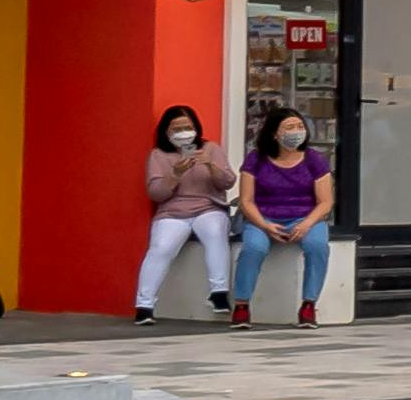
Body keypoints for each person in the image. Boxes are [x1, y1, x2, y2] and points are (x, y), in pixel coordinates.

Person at [133, 105, 235, 324]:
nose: (183, 132)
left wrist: (210, 165)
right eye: (176, 128)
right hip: (172, 211)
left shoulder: (211, 148)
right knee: (161, 248)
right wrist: (175, 174)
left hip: (208, 207)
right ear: (166, 132)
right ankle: (144, 305)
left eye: (187, 127)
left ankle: (219, 292)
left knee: (215, 233)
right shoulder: (158, 155)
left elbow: (228, 181)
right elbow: (156, 193)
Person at [235, 104, 335, 324]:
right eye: (289, 127)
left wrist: (306, 224)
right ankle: (241, 305)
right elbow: (246, 200)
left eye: (300, 126)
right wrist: (264, 225)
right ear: (274, 133)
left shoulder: (315, 160)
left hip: (305, 216)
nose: (296, 131)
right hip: (263, 217)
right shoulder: (256, 159)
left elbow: (325, 202)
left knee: (317, 246)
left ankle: (309, 305)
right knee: (253, 248)